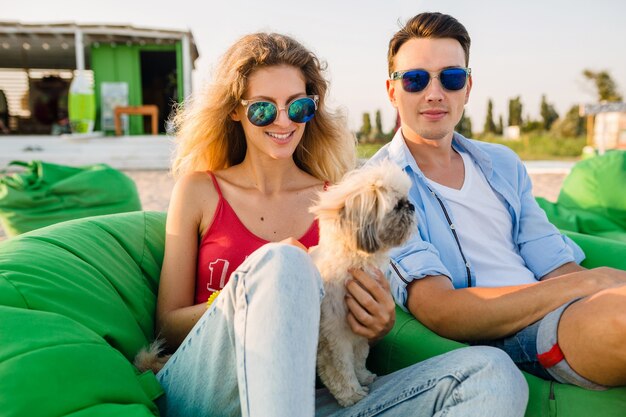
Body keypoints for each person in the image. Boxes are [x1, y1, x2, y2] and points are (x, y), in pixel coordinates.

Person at [155, 31, 528, 417]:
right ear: (235, 110)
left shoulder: (341, 204)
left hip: (310, 394)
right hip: (211, 386)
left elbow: (343, 332)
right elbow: (167, 326)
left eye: (298, 107)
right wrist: (255, 295)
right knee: (285, 264)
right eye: (263, 109)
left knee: (492, 372)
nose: (283, 121)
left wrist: (378, 324)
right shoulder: (200, 190)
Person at [370, 11, 626, 391]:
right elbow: (440, 309)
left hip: (564, 310)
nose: (435, 93)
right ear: (393, 91)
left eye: (451, 78)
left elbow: (555, 264)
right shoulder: (380, 186)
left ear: (468, 87)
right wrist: (594, 283)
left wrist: (593, 284)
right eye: (415, 79)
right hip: (503, 333)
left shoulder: (502, 163)